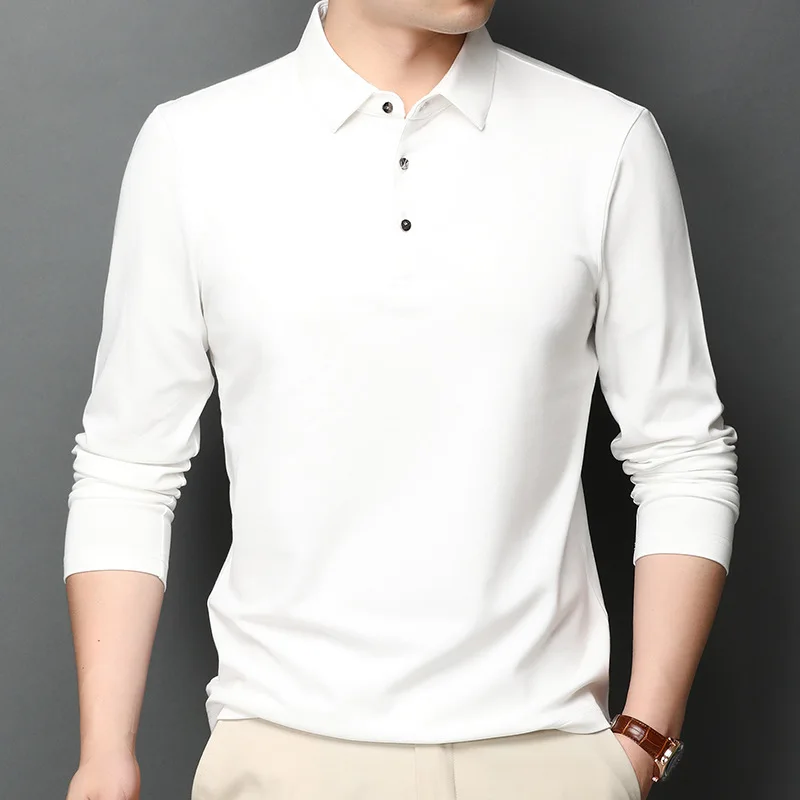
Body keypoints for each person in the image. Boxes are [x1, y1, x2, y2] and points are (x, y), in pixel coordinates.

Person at [63, 1, 740, 798]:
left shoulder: (604, 140)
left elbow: (682, 450)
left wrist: (642, 741)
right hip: (283, 758)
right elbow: (127, 466)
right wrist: (105, 754)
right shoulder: (194, 146)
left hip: (546, 758)